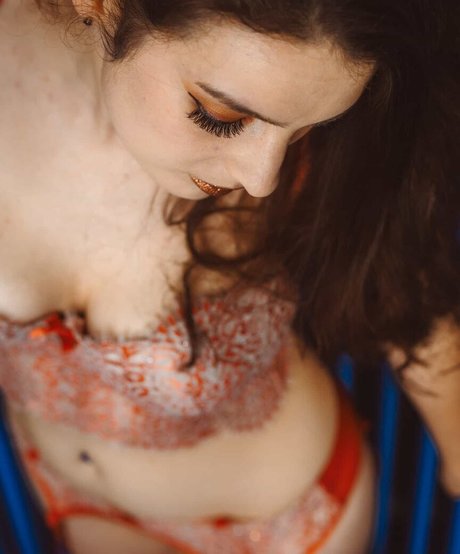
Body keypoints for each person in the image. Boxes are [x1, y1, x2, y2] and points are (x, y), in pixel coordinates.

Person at [0, 0, 458, 552]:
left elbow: (405, 296)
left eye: (309, 128)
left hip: (283, 524)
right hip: (78, 505)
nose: (262, 178)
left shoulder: (301, 148)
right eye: (220, 116)